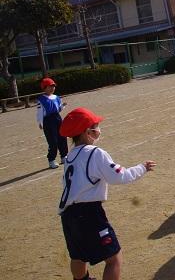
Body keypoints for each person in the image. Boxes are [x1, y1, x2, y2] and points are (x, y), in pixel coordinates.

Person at [58, 107, 156, 280]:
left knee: (78, 256)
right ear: (87, 132)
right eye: (96, 126)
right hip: (89, 214)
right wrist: (142, 168)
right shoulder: (95, 153)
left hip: (67, 215)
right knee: (114, 259)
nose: (98, 129)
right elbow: (119, 176)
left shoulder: (70, 157)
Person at [37, 77, 68, 169]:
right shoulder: (41, 99)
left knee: (62, 137)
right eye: (49, 86)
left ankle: (64, 156)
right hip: (48, 121)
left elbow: (58, 109)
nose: (52, 88)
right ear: (44, 88)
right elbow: (40, 112)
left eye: (53, 86)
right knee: (52, 141)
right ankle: (51, 160)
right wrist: (40, 122)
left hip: (58, 118)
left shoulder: (57, 97)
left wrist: (63, 106)